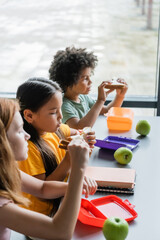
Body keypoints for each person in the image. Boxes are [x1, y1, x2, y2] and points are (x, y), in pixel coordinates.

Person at [0, 98, 91, 240]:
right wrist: (78, 170)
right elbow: (60, 232)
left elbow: (42, 188)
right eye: (19, 131)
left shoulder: (5, 169)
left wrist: (73, 186)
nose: (27, 135)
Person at [16, 78, 97, 219]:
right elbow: (43, 190)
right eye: (53, 112)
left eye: (60, 108)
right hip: (43, 217)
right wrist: (69, 161)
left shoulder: (55, 130)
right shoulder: (28, 149)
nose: (61, 116)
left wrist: (85, 137)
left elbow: (78, 133)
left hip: (62, 201)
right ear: (29, 115)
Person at [49, 46, 128, 129]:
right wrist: (100, 100)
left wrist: (120, 96)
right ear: (68, 81)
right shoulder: (63, 105)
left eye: (89, 76)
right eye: (85, 78)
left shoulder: (84, 98)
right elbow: (79, 128)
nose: (90, 82)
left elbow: (106, 110)